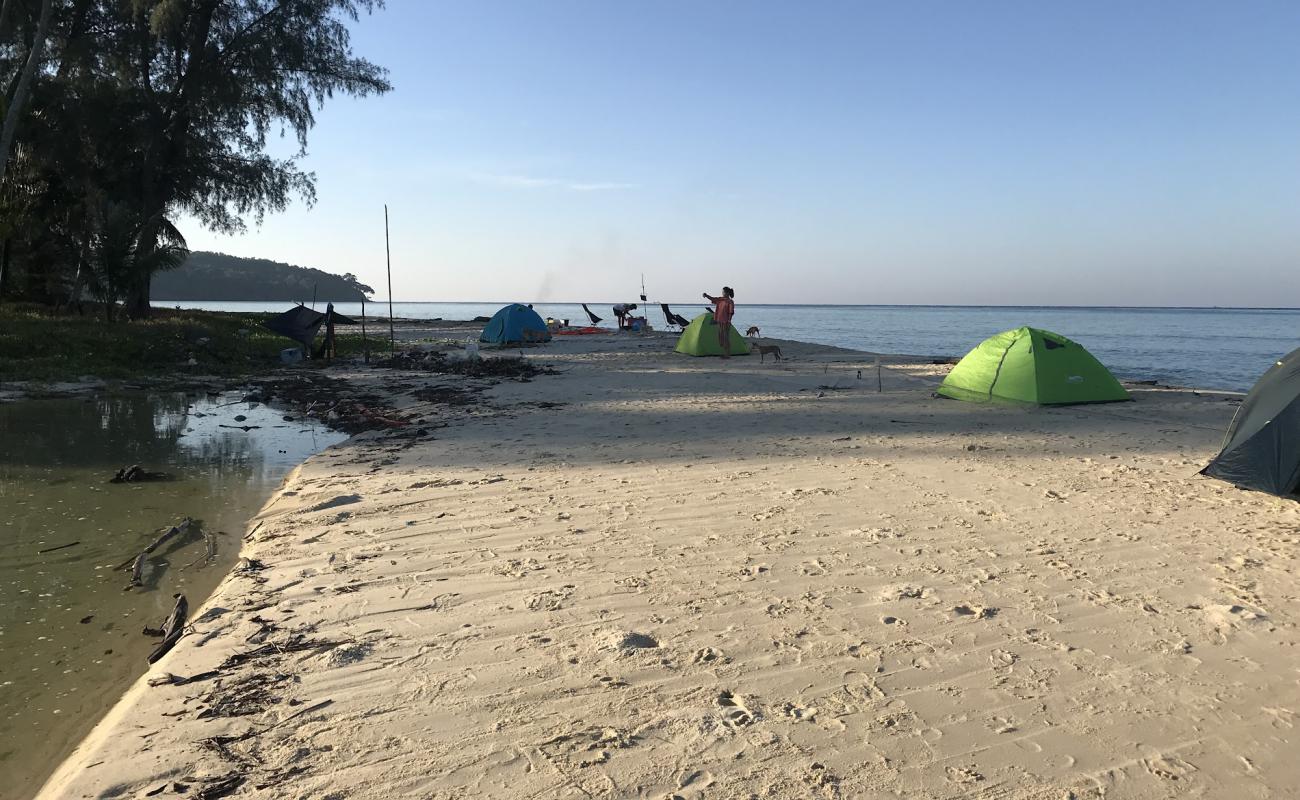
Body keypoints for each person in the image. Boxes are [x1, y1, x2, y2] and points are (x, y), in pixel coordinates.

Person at [702, 287, 736, 358]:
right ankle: (725, 353)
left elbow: (731, 312)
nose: (722, 293)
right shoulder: (720, 299)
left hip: (726, 321)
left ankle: (727, 354)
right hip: (720, 321)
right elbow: (713, 299)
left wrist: (729, 321)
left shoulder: (730, 301)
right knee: (721, 338)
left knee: (726, 337)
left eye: (723, 292)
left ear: (727, 293)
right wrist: (706, 295)